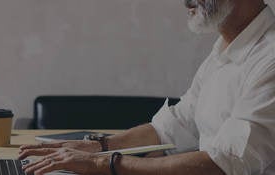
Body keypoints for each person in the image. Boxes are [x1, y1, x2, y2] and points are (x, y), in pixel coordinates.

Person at [18, 0, 275, 174]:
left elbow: (225, 164)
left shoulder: (270, 58)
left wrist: (103, 164)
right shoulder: (223, 52)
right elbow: (176, 126)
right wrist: (99, 146)